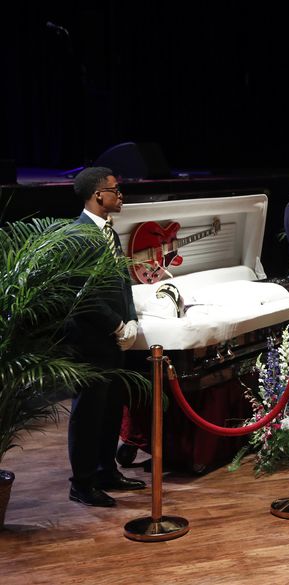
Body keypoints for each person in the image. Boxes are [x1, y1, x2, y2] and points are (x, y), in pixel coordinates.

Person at [66, 167, 145, 507]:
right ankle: (81, 483)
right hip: (91, 341)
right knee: (88, 413)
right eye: (116, 189)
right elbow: (81, 294)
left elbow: (121, 284)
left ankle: (105, 470)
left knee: (111, 407)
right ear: (99, 195)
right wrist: (116, 324)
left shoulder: (109, 233)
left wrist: (131, 321)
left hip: (114, 339)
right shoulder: (78, 235)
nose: (120, 194)